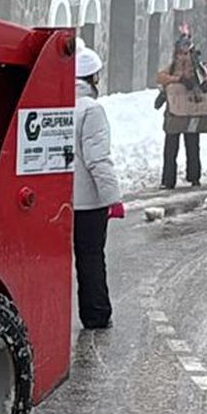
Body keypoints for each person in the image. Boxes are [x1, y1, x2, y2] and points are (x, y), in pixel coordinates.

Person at [73, 43, 121, 331]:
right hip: (88, 202)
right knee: (90, 256)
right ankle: (96, 313)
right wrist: (112, 198)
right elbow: (97, 159)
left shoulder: (59, 105)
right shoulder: (91, 110)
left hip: (59, 200)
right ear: (92, 78)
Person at [154, 26, 207, 190]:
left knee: (191, 144)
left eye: (186, 51)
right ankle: (170, 180)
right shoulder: (173, 67)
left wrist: (205, 84)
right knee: (172, 146)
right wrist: (178, 79)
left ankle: (192, 176)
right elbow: (161, 77)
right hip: (175, 111)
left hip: (192, 108)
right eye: (181, 52)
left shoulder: (198, 67)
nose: (183, 55)